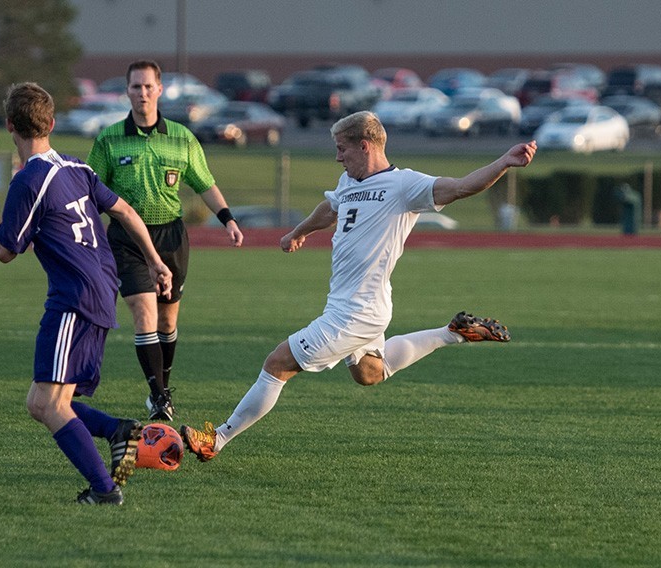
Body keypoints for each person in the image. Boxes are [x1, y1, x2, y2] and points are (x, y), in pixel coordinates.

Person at [180, 111, 537, 462]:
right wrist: (298, 231)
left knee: (278, 363)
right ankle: (453, 332)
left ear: (365, 146)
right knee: (369, 373)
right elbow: (330, 208)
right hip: (353, 305)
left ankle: (218, 439)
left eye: (342, 149)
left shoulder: (404, 186)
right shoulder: (350, 183)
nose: (337, 158)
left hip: (357, 313)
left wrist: (504, 162)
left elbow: (461, 186)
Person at [0, 82, 173, 505]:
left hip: (74, 299)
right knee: (40, 401)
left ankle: (104, 490)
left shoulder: (30, 180)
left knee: (50, 405)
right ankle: (118, 430)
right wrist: (155, 260)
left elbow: (5, 250)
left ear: (10, 126)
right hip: (101, 289)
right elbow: (126, 211)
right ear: (52, 123)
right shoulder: (77, 168)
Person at [87, 60, 245, 421]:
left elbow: (204, 183)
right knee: (143, 314)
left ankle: (163, 387)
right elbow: (89, 189)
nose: (142, 93)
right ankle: (158, 397)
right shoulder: (109, 139)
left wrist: (228, 219)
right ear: (126, 92)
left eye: (147, 87)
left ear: (159, 90)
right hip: (125, 239)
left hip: (171, 237)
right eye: (135, 87)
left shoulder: (182, 137)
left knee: (167, 321)